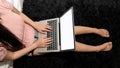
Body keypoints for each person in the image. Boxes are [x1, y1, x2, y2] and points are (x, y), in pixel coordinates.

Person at [0, 0, 112, 67]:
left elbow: (18, 13)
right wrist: (36, 45)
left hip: (35, 27)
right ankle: (97, 48)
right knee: (63, 43)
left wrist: (36, 25)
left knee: (63, 28)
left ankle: (95, 30)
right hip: (32, 46)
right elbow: (13, 55)